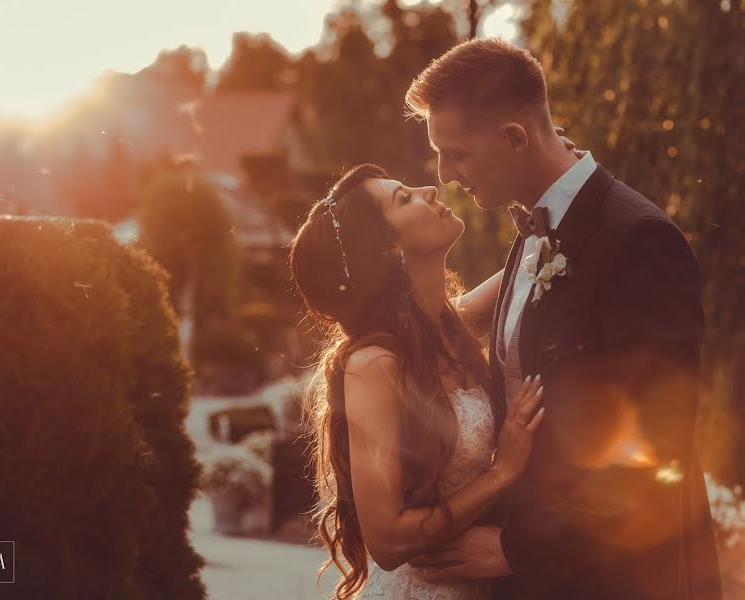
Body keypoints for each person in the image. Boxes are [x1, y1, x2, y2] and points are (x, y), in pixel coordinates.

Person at [402, 37, 722, 600]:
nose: (444, 174)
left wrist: (515, 549)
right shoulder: (538, 229)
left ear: (514, 138)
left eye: (455, 153)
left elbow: (656, 445)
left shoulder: (639, 241)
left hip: (609, 578)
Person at [288, 162, 548, 600]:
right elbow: (387, 542)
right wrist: (502, 472)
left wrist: (546, 166)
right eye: (404, 198)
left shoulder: (451, 328)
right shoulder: (373, 364)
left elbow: (541, 259)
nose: (430, 189)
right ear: (387, 250)